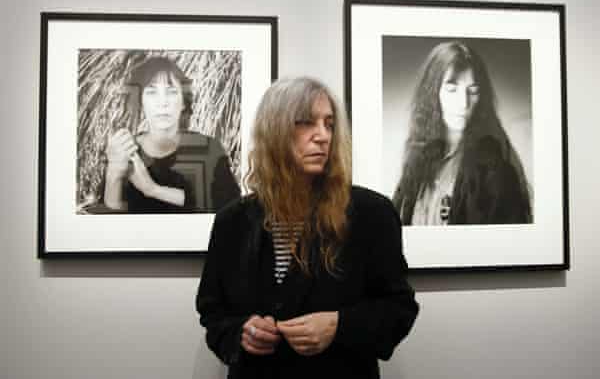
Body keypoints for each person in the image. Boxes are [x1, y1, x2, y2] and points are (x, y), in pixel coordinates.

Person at [196, 77, 419, 378]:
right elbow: (213, 312)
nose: (323, 136)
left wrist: (339, 326)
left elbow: (399, 308)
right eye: (305, 123)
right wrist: (241, 333)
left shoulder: (371, 214)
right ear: (273, 131)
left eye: (329, 124)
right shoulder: (232, 222)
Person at [391, 41, 532, 225]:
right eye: (451, 89)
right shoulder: (418, 159)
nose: (463, 103)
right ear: (432, 93)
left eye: (472, 91)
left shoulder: (496, 172)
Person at [103, 56, 240, 213]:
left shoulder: (209, 149)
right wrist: (114, 172)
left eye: (171, 92)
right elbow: (109, 221)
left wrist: (153, 189)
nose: (163, 102)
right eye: (152, 92)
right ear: (141, 102)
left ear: (183, 102)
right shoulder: (124, 149)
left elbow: (231, 206)